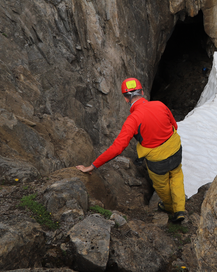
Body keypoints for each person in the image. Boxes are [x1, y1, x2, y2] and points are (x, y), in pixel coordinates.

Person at [76, 77, 186, 223]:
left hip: (157, 161)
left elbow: (117, 148)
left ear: (126, 99)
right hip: (175, 149)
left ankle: (170, 207)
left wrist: (93, 165)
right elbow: (175, 126)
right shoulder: (160, 105)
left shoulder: (133, 120)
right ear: (142, 92)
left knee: (162, 185)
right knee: (177, 175)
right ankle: (180, 209)